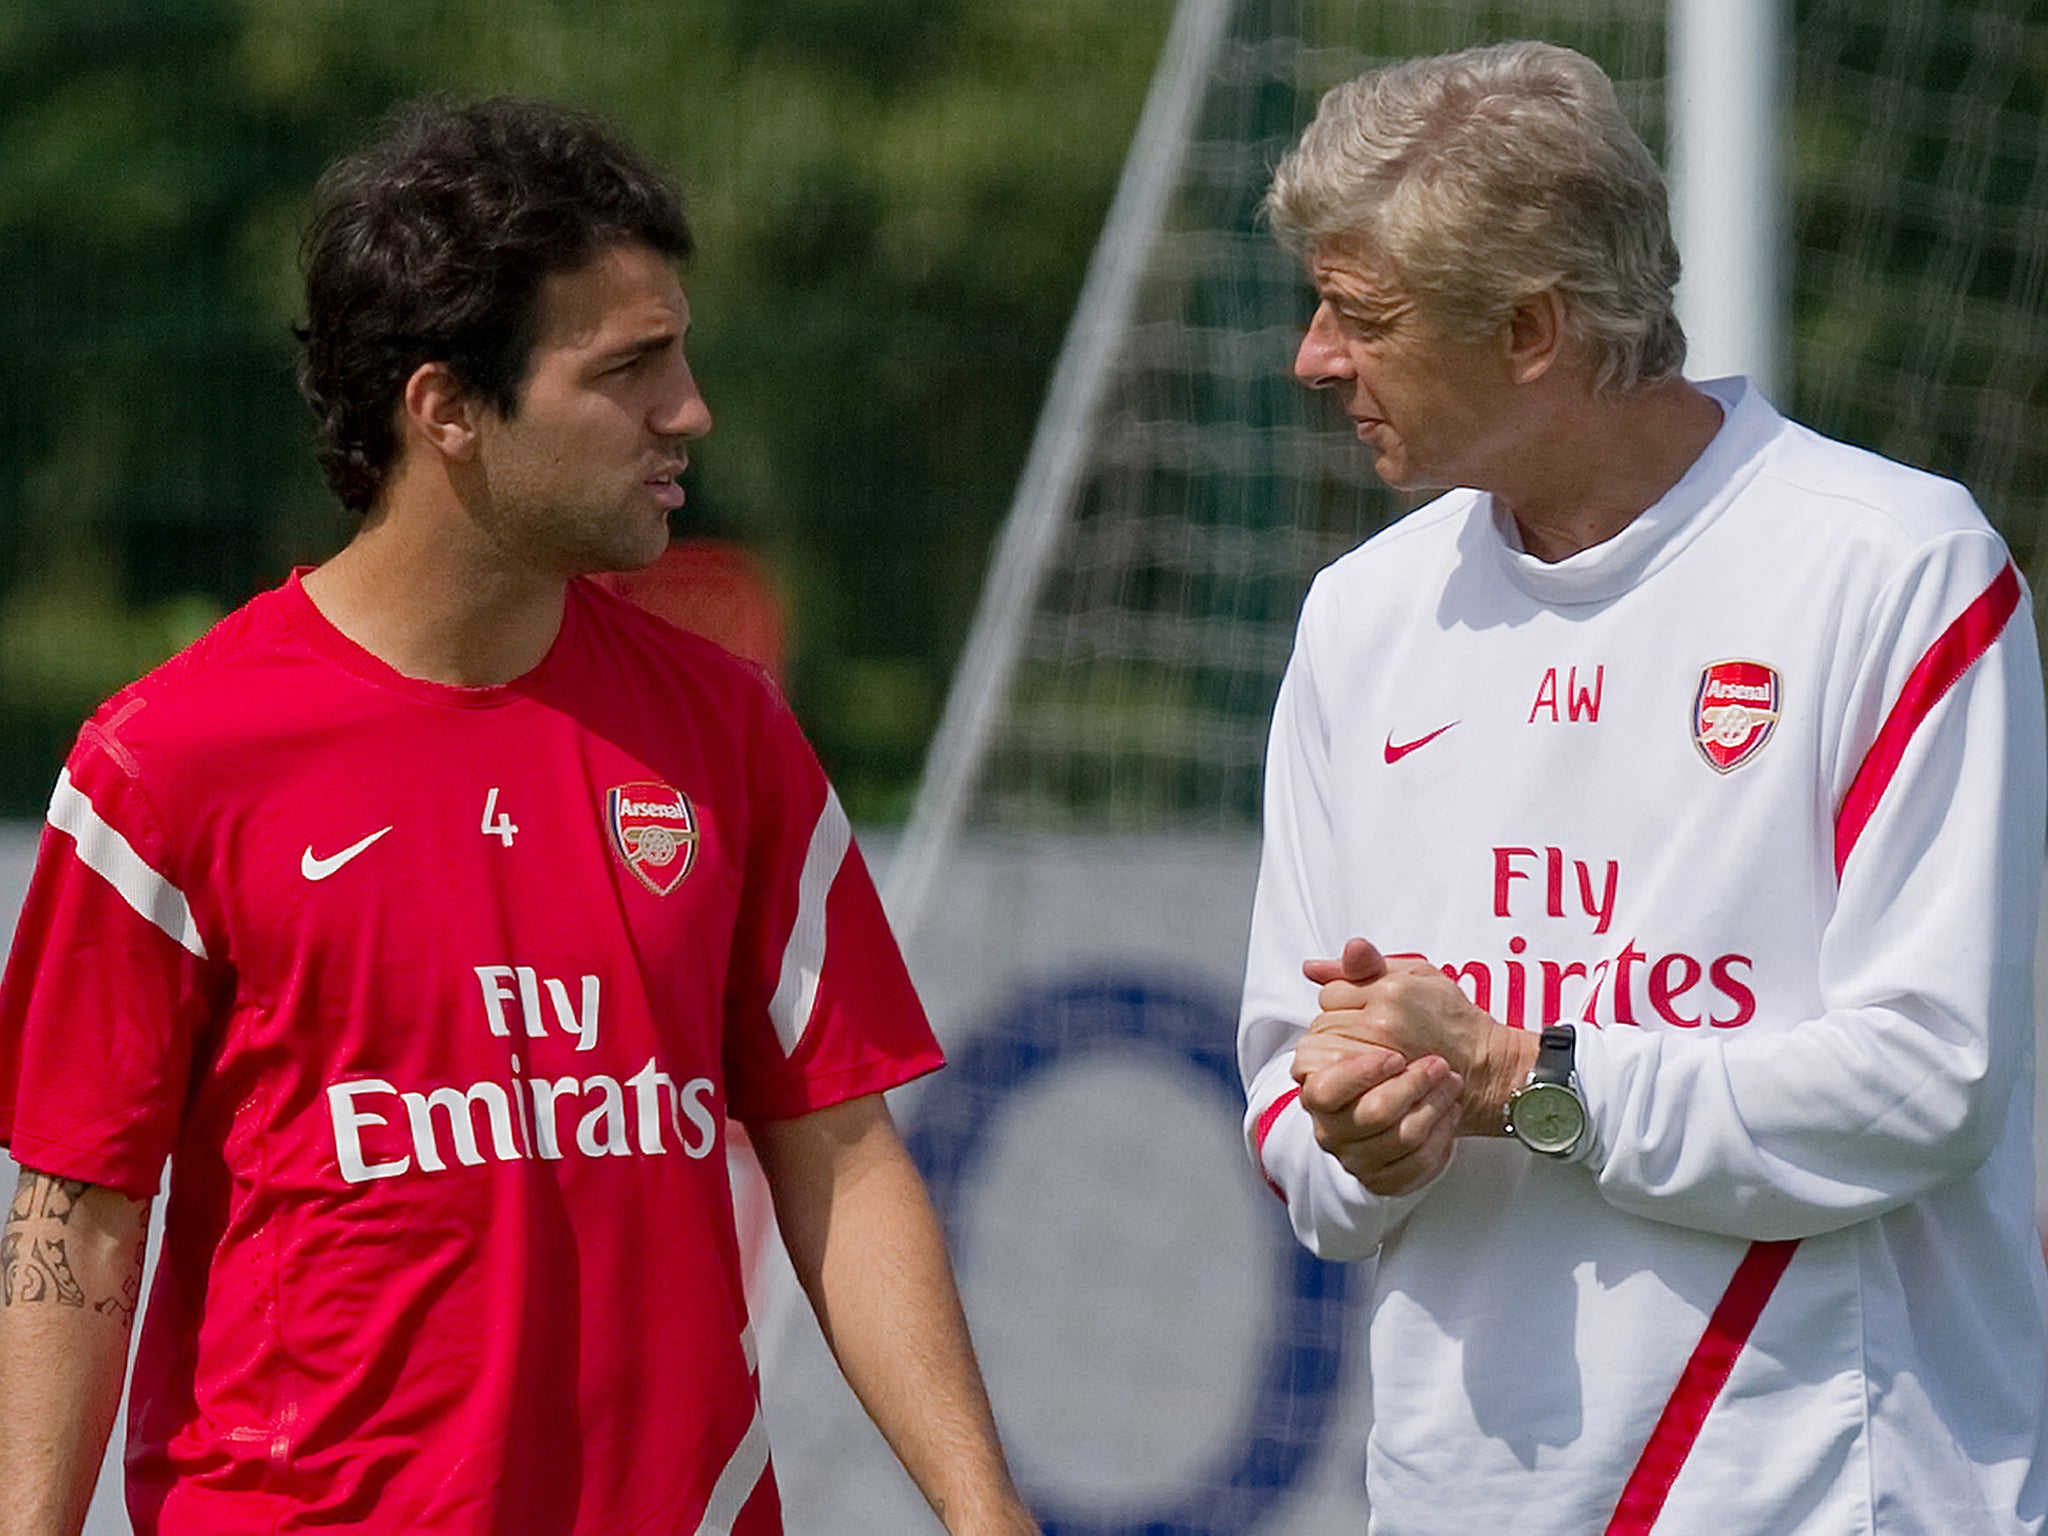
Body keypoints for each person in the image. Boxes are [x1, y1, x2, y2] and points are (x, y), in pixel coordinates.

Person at [0, 97, 1037, 1536]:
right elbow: (78, 1221)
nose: (692, 410)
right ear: (446, 410)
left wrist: (989, 1518)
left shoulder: (726, 732)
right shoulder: (165, 764)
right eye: (630, 369)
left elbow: (842, 1158)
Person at [1239, 40, 2048, 1534]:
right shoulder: (1364, 616)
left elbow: (1928, 1082)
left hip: (1830, 1493)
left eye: (1363, 314)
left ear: (1533, 329)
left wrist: (1524, 1079)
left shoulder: (1897, 568)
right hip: (1462, 1498)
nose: (1313, 356)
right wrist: (1357, 1133)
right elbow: (1289, 1099)